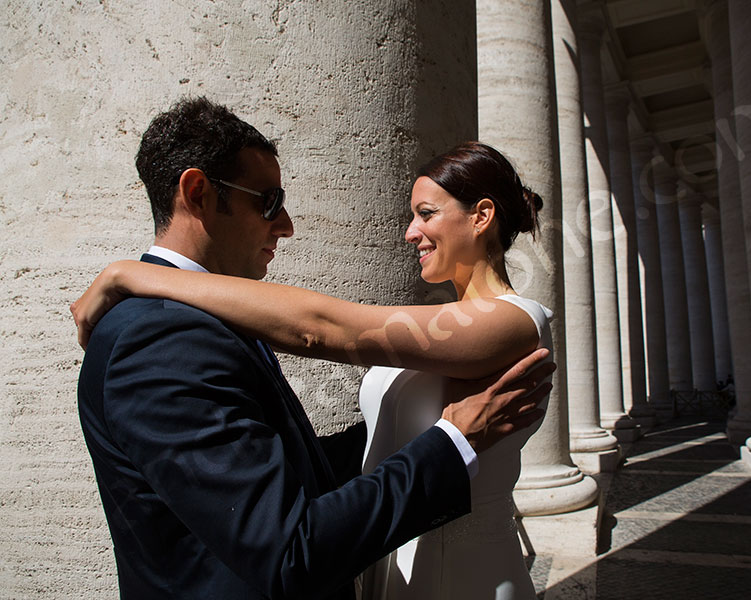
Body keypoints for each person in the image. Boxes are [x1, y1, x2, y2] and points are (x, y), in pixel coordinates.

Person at [71, 97, 552, 600]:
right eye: (269, 201)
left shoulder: (513, 319)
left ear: (482, 217)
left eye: (425, 214)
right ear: (197, 193)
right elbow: (278, 530)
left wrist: (131, 273)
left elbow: (320, 328)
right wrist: (449, 438)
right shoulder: (164, 337)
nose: (287, 225)